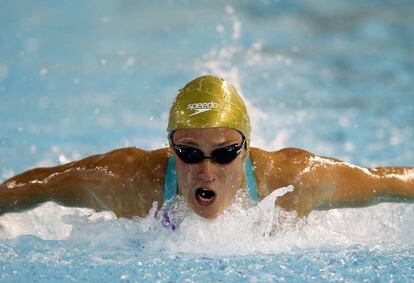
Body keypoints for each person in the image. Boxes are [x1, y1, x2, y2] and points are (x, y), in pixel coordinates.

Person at [0, 75, 413, 223]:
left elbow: (386, 182)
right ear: (170, 148)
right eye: (190, 153)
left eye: (226, 152)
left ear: (247, 150)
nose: (207, 170)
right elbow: (38, 186)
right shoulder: (127, 181)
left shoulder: (293, 182)